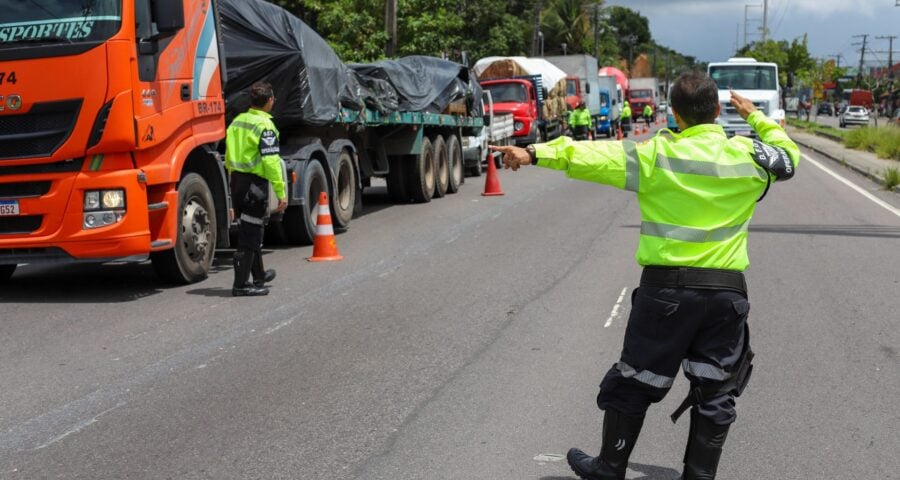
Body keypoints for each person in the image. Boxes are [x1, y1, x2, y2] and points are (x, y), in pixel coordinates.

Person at [490, 71, 799, 480]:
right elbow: (787, 156)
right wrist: (756, 115)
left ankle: (610, 466)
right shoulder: (748, 157)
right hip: (726, 295)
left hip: (666, 293)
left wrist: (535, 154)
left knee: (635, 382)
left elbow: (595, 156)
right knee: (717, 391)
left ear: (674, 113)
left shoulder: (656, 156)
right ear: (717, 111)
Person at [225, 81, 288, 297]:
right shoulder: (265, 126)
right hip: (254, 185)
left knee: (250, 228)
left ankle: (259, 275)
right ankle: (241, 285)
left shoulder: (237, 122)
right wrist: (281, 192)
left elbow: (228, 157)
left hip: (238, 182)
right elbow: (271, 162)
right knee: (251, 234)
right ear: (269, 101)